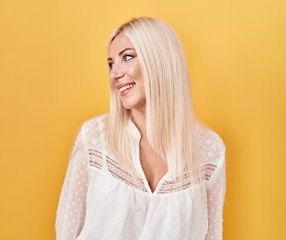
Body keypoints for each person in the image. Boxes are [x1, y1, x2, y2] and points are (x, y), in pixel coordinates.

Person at [55, 17, 226, 240]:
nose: (115, 73)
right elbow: (66, 230)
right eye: (111, 64)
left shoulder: (209, 149)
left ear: (160, 60)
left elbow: (211, 236)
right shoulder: (95, 137)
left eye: (127, 57)